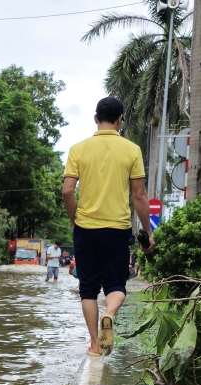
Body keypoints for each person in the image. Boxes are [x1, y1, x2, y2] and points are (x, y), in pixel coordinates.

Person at [62, 96, 154, 357]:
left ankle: (95, 344)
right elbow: (139, 196)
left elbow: (67, 190)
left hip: (85, 227)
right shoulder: (131, 150)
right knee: (116, 284)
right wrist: (148, 231)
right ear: (120, 120)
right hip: (116, 228)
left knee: (88, 288)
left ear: (95, 119)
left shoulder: (78, 149)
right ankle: (110, 314)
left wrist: (75, 219)